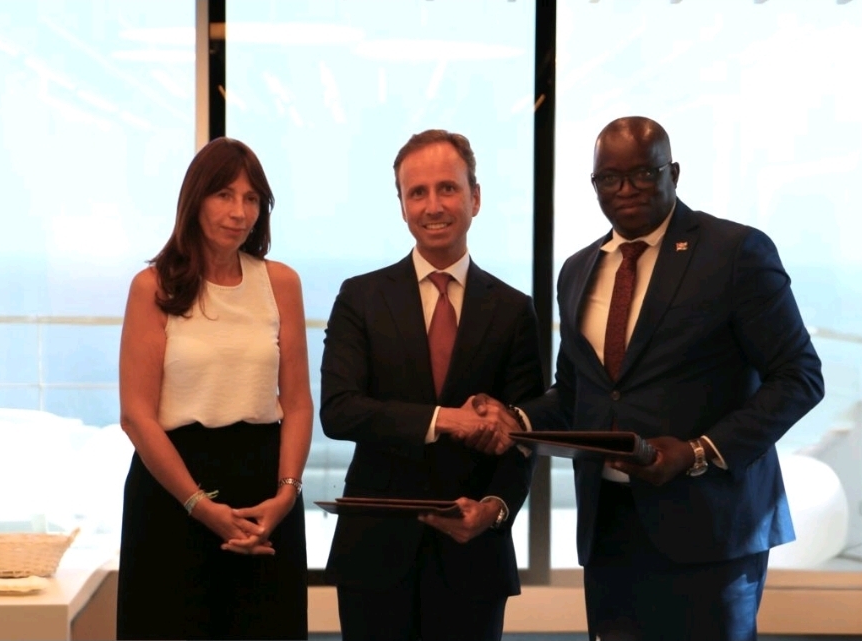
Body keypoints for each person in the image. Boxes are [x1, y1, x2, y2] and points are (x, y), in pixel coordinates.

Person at [491, 116, 825, 641]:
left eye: (643, 174)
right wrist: (513, 419)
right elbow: (578, 392)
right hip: (608, 527)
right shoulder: (577, 271)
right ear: (594, 185)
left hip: (711, 527)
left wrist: (697, 452)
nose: (625, 190)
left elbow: (800, 377)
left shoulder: (735, 252)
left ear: (673, 172)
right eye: (609, 179)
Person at [319, 128, 544, 641]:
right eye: (417, 192)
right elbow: (339, 410)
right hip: (375, 552)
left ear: (475, 197)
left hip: (474, 553)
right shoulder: (360, 298)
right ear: (402, 206)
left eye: (448, 188)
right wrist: (446, 420)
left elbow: (524, 434)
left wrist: (496, 508)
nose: (433, 205)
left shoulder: (513, 310)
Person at [116, 137, 311, 640]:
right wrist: (199, 505)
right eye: (224, 195)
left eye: (251, 199)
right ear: (195, 200)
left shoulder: (281, 283)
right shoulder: (153, 287)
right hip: (173, 490)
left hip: (265, 490)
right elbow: (136, 416)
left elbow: (297, 403)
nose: (239, 212)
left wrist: (287, 494)